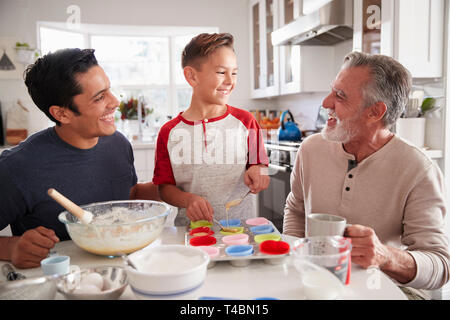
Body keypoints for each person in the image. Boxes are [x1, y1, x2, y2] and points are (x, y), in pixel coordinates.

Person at [283, 51, 449, 296]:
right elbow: (296, 210)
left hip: (388, 290)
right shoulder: (310, 149)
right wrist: (294, 262)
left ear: (375, 112)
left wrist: (385, 257)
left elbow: (440, 266)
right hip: (318, 284)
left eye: (340, 96)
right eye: (332, 90)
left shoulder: (418, 169)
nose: (326, 103)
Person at [0, 48, 159, 269]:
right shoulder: (17, 167)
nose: (114, 102)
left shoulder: (118, 144)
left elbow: (128, 195)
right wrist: (11, 248)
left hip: (123, 270)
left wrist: (179, 186)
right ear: (62, 114)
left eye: (109, 90)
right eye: (99, 97)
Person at [153, 33, 269, 226]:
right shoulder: (170, 132)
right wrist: (188, 200)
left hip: (241, 231)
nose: (230, 81)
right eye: (221, 72)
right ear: (192, 76)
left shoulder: (246, 121)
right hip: (192, 232)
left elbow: (261, 165)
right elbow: (164, 188)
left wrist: (260, 173)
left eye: (234, 73)